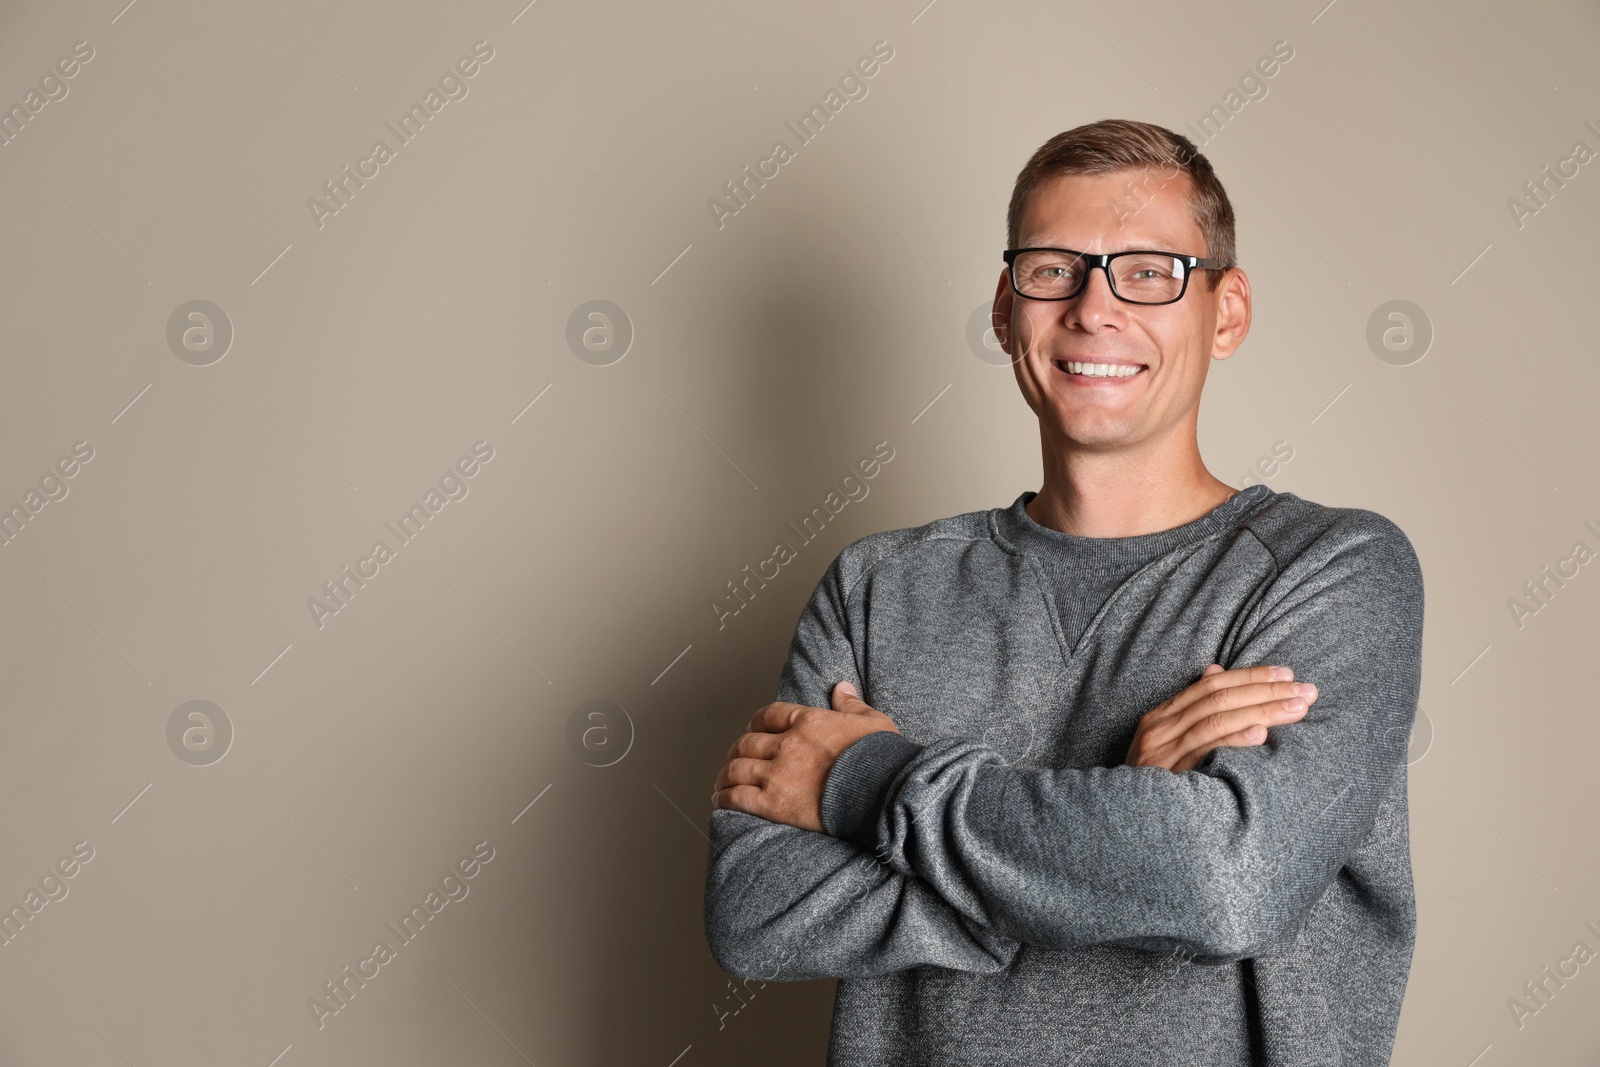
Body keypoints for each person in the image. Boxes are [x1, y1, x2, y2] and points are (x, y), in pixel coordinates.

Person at [704, 118, 1424, 1066]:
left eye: (1150, 270)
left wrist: (865, 783)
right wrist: (1126, 822)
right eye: (1054, 269)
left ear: (1228, 311)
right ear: (1007, 310)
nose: (1094, 307)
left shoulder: (1332, 570)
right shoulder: (876, 586)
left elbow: (1227, 882)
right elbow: (757, 912)